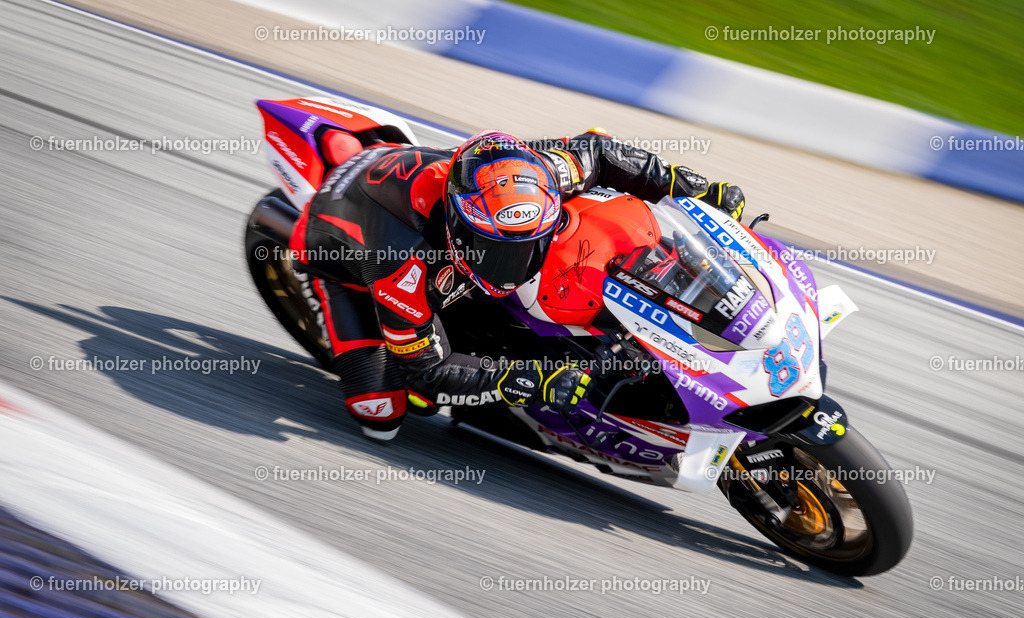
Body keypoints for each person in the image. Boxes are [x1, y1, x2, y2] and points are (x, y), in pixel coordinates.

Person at [289, 128, 745, 440]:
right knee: (382, 414)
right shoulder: (401, 264)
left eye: (528, 244)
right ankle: (338, 304)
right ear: (459, 227)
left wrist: (690, 188)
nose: (513, 264)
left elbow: (603, 151)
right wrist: (529, 378)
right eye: (495, 249)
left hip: (416, 203)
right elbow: (424, 373)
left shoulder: (536, 171)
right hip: (337, 253)